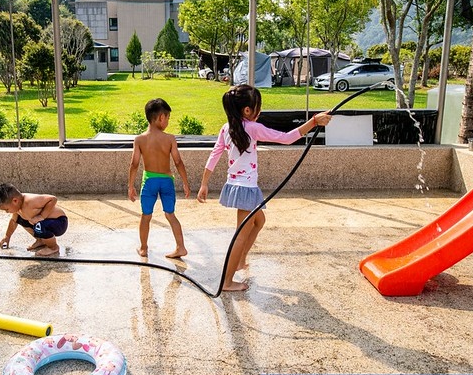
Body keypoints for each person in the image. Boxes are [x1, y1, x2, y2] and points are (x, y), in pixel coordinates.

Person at [196, 85, 332, 291]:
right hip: (246, 189)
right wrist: (313, 122)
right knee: (241, 234)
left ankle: (241, 260)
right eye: (258, 107)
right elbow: (286, 138)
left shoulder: (227, 128)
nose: (260, 111)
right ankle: (227, 281)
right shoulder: (251, 127)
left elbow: (214, 154)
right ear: (247, 111)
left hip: (236, 185)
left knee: (259, 221)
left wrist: (205, 183)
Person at [128, 98, 191, 258]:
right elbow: (178, 162)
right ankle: (181, 247)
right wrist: (185, 182)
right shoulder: (169, 139)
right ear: (161, 117)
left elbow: (134, 164)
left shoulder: (140, 139)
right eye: (168, 118)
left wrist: (131, 186)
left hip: (149, 181)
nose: (168, 121)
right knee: (170, 214)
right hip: (167, 181)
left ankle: (143, 248)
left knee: (146, 215)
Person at [0, 183, 68, 256]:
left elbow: (52, 199)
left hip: (59, 222)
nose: (6, 212)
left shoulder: (30, 201)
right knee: (20, 219)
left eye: (7, 209)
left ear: (15, 201)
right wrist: (7, 237)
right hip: (45, 223)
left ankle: (53, 247)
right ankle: (41, 240)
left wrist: (42, 216)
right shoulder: (18, 208)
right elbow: (13, 221)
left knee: (39, 225)